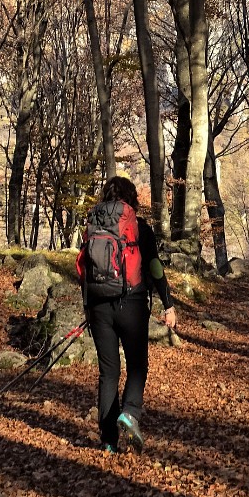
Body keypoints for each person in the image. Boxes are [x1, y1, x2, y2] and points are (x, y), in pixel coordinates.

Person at [77, 176, 176, 453]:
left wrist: (89, 307)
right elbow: (154, 268)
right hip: (132, 304)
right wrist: (168, 304)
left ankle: (108, 441)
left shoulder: (92, 226)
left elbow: (85, 269)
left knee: (108, 373)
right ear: (131, 199)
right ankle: (130, 412)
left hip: (98, 307)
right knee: (137, 366)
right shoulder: (139, 228)